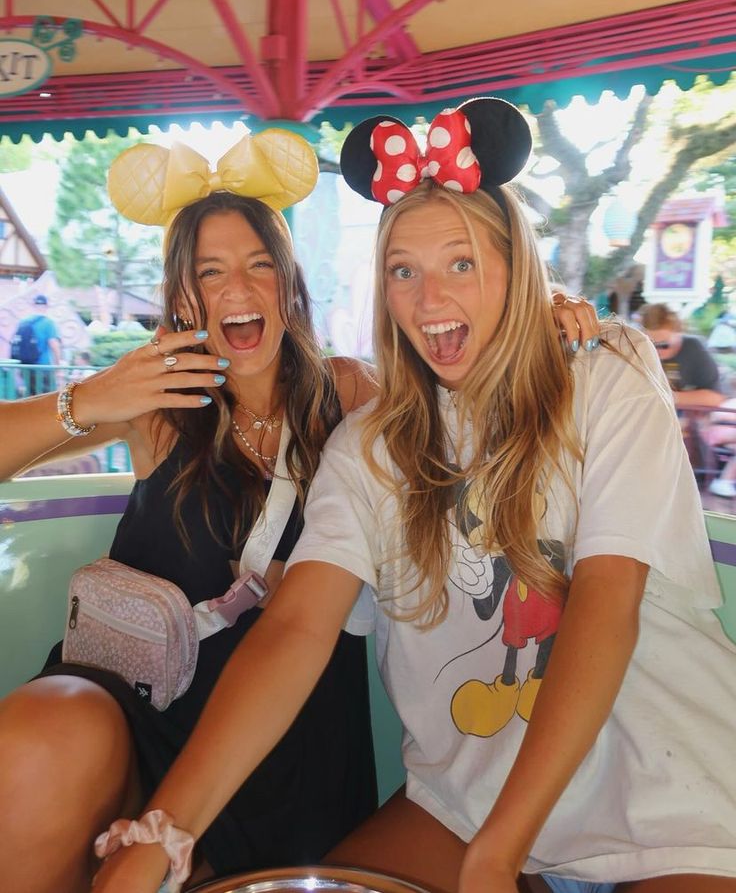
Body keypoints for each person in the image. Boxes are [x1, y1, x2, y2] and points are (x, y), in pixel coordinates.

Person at [92, 100, 735, 893]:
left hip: (667, 795)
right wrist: (164, 833)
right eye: (405, 270)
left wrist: (499, 855)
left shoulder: (605, 372)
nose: (430, 300)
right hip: (465, 803)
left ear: (516, 267)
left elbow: (606, 598)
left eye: (461, 263)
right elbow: (295, 628)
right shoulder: (369, 446)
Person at [0, 130, 384, 893]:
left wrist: (558, 323)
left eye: (258, 264)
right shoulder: (158, 404)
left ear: (288, 283)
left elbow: (472, 415)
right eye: (210, 272)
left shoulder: (347, 393)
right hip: (130, 715)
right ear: (181, 296)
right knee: (35, 745)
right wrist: (87, 401)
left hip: (287, 737)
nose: (236, 289)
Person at [638, 302, 724, 408]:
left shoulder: (694, 348)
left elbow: (715, 398)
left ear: (678, 333)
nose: (657, 350)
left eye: (664, 344)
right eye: (651, 345)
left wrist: (666, 397)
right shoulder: (639, 349)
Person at [11, 293, 62, 394]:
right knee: (48, 398)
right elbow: (54, 345)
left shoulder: (23, 322)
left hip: (26, 368)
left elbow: (15, 343)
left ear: (34, 305)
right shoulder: (48, 323)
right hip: (43, 368)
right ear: (46, 306)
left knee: (31, 397)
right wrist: (58, 366)